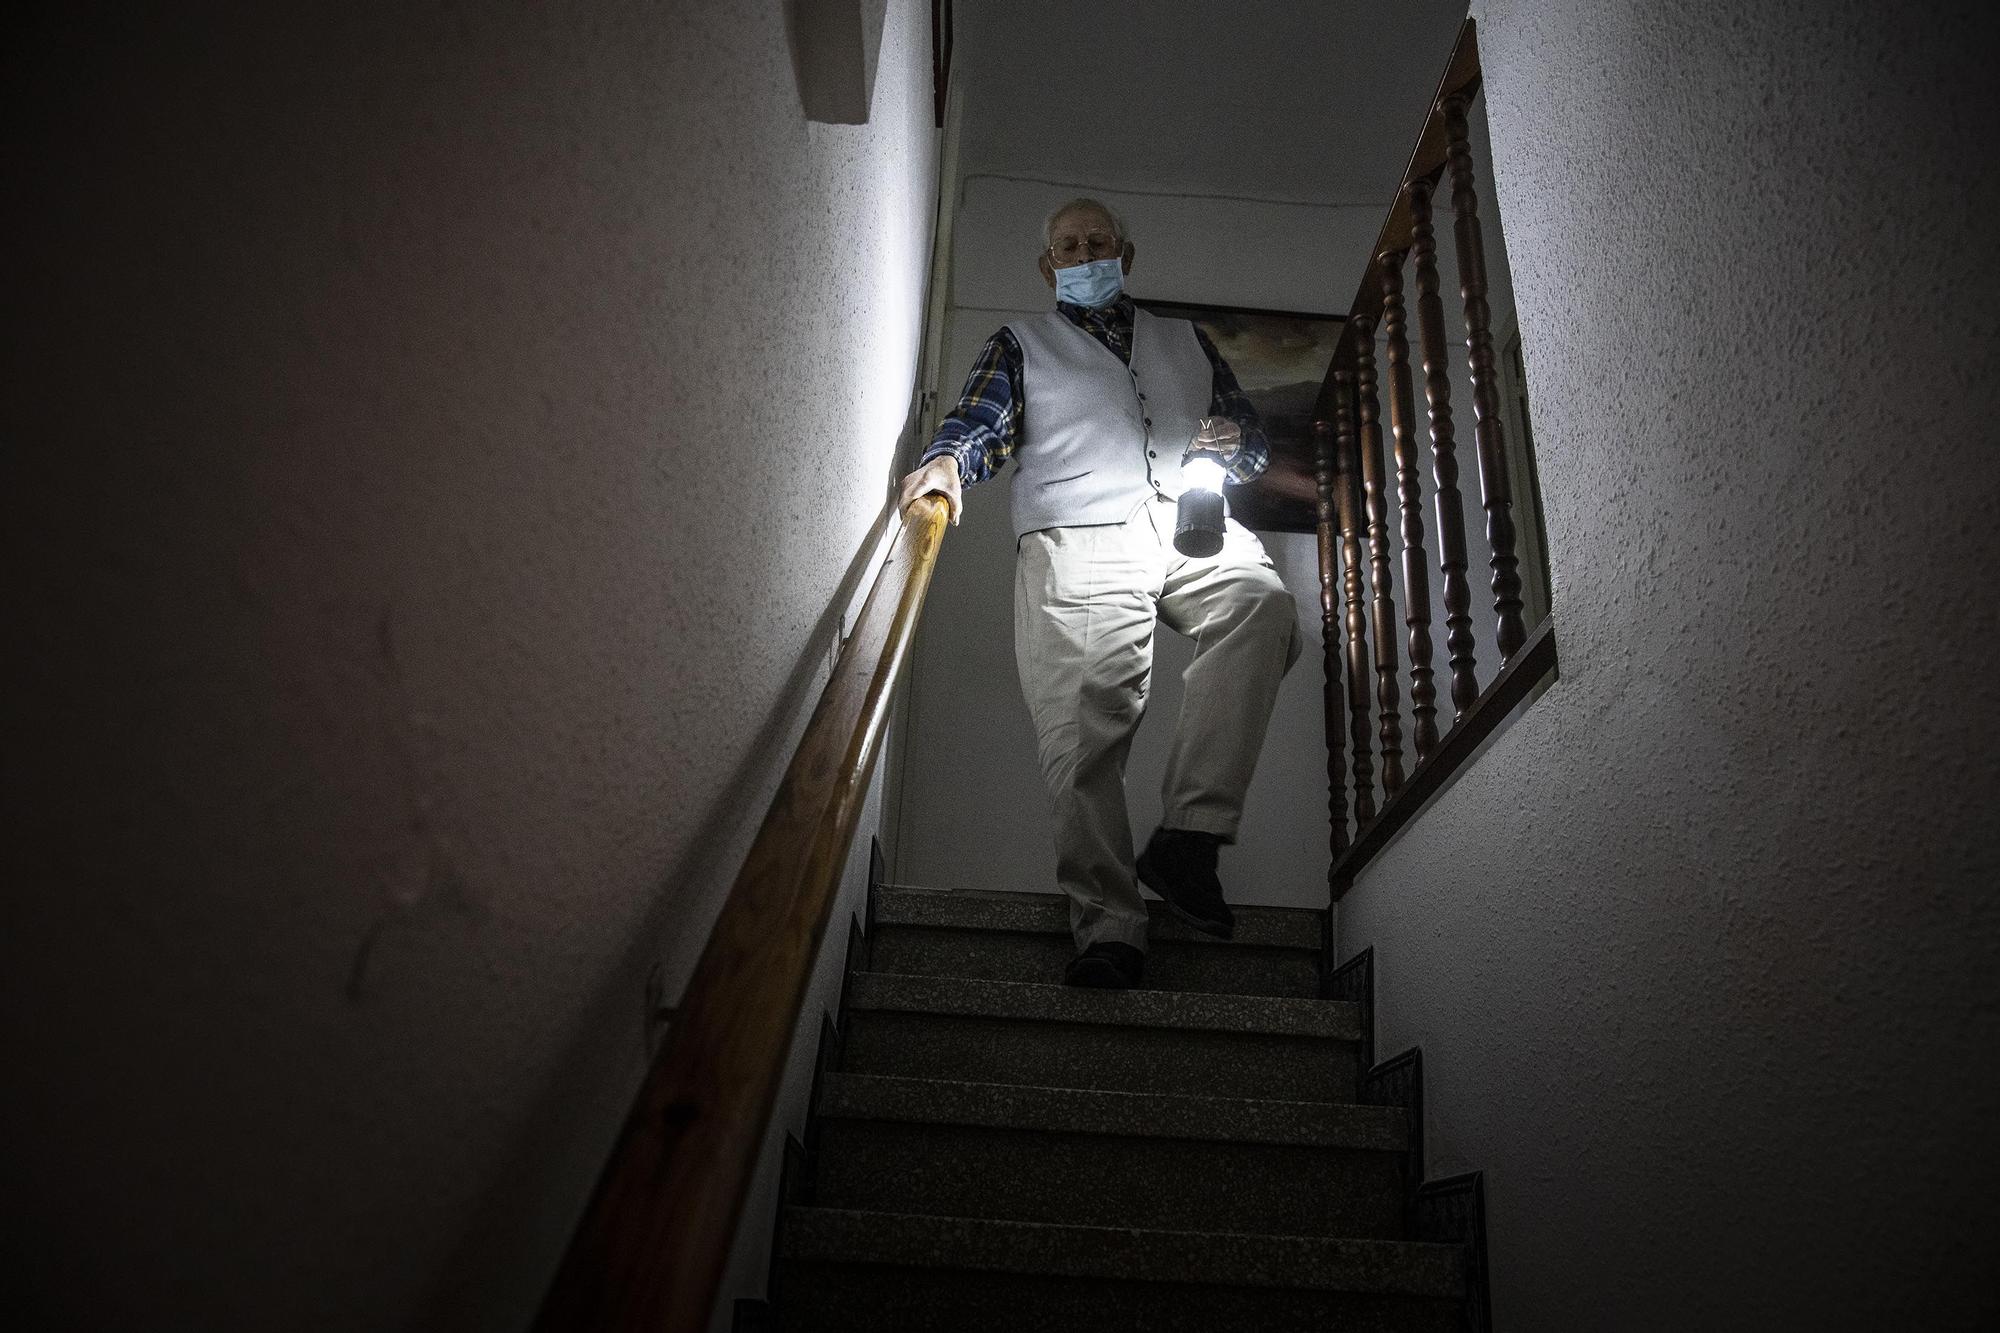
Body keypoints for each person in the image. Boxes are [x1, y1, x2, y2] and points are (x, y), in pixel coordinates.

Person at [899, 198, 1301, 990]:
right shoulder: (1023, 345)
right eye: (1069, 246)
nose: (1086, 253)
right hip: (1078, 535)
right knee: (1086, 736)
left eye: (1099, 241)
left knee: (1264, 606)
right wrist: (948, 462)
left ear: (1127, 252)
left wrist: (1237, 445)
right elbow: (980, 420)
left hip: (1192, 521)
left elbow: (1249, 437)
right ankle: (1111, 927)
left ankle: (1188, 838)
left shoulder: (1187, 339)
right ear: (1049, 267)